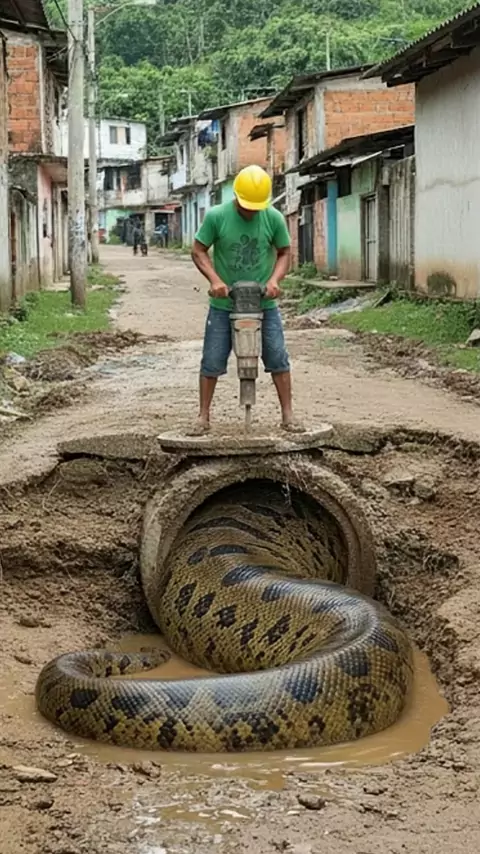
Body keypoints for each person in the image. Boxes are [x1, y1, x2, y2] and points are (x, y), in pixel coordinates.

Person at [191, 164, 304, 435]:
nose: (251, 211)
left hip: (264, 305)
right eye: (247, 206)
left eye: (256, 207)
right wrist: (215, 281)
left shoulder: (273, 218)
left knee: (277, 356)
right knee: (212, 359)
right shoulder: (217, 216)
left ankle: (288, 414)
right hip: (224, 305)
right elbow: (198, 250)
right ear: (236, 196)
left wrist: (274, 281)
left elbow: (284, 252)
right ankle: (203, 416)